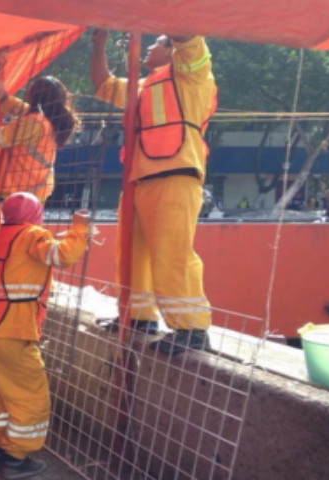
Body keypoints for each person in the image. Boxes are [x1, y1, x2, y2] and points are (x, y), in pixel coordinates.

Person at [91, 29, 218, 354]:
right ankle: (138, 318)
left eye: (154, 43)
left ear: (172, 50)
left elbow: (189, 37)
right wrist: (99, 44)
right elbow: (103, 85)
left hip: (175, 174)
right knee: (131, 253)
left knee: (172, 253)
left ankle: (191, 329)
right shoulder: (142, 86)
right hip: (139, 178)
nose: (146, 48)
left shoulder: (192, 75)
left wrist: (159, 14)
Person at [0, 193, 90, 479]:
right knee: (28, 396)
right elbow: (62, 255)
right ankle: (17, 458)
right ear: (35, 214)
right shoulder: (31, 235)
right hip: (10, 329)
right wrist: (80, 227)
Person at [0, 53, 79, 206]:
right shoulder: (46, 118)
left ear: (34, 95)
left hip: (22, 187)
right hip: (32, 187)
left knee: (19, 227)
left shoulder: (34, 121)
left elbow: (0, 138)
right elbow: (6, 101)